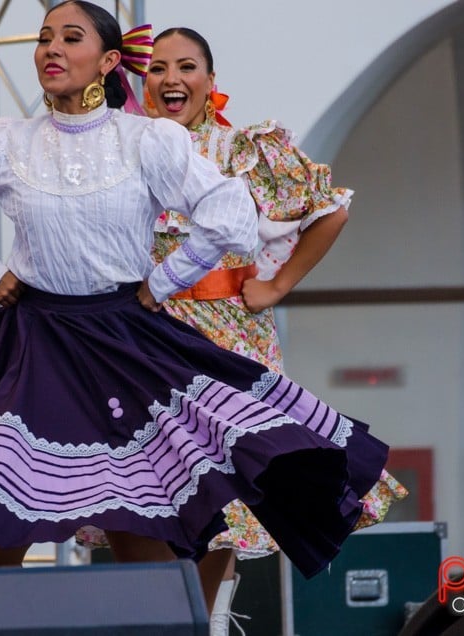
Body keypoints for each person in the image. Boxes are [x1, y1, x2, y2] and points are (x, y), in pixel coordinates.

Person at [0, 0, 390, 598]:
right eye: (44, 39)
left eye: (70, 37)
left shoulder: (148, 141)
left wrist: (165, 282)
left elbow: (227, 215)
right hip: (31, 339)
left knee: (141, 523)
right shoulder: (7, 141)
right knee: (0, 510)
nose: (51, 49)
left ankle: (173, 624)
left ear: (109, 61)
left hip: (122, 338)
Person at [78, 27, 408, 634]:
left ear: (209, 78)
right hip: (140, 340)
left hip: (226, 341)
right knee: (147, 486)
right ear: (141, 81)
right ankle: (170, 619)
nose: (171, 78)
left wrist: (278, 287)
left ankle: (206, 619)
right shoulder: (119, 148)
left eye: (187, 66)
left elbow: (330, 207)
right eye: (158, 68)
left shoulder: (242, 150)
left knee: (223, 487)